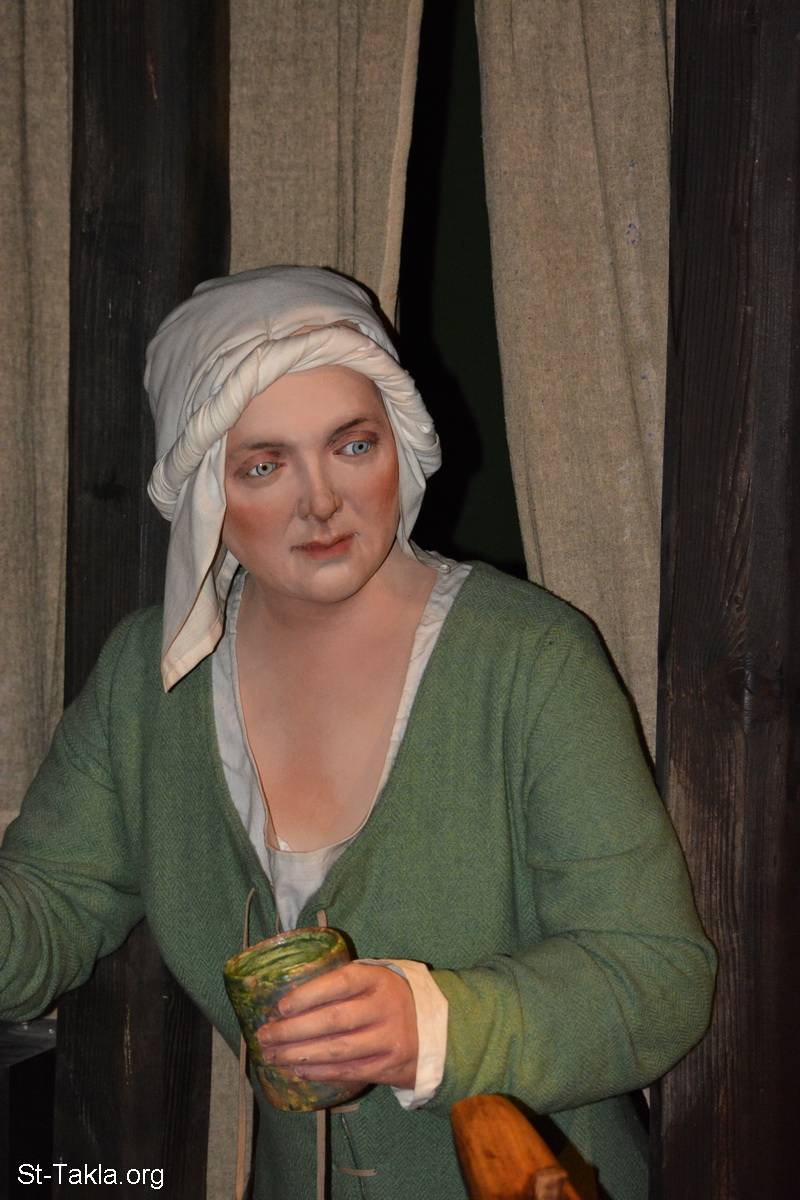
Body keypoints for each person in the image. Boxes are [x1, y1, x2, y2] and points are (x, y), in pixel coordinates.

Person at [0, 266, 716, 1200]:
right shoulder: (151, 680)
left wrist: (434, 1024)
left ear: (398, 445)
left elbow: (656, 978)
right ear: (205, 490)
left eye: (352, 444)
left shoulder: (529, 659)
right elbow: (47, 910)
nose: (321, 502)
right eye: (264, 465)